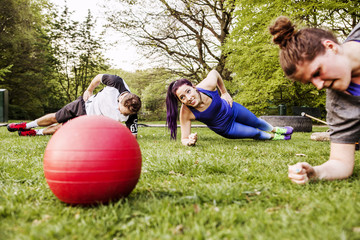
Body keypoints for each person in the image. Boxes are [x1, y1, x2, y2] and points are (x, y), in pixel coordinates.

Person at [269, 16, 360, 184]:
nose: (319, 86)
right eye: (310, 81)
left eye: (317, 72)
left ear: (330, 47)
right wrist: (316, 172)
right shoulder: (338, 105)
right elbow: (341, 162)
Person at [166, 69, 294, 146]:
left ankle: (276, 129)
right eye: (182, 97)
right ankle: (275, 137)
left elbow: (214, 72)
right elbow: (183, 138)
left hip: (232, 108)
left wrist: (224, 92)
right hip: (227, 128)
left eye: (188, 91)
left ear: (193, 87)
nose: (188, 98)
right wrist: (189, 142)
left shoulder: (206, 86)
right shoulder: (186, 112)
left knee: (256, 121)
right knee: (254, 133)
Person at [7, 74, 141, 137]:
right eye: (120, 108)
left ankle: (35, 133)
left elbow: (133, 137)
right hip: (84, 104)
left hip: (90, 120)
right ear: (121, 98)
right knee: (56, 117)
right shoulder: (116, 82)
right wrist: (89, 90)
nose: (119, 111)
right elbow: (98, 77)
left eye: (124, 113)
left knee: (62, 128)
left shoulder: (131, 114)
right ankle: (26, 125)